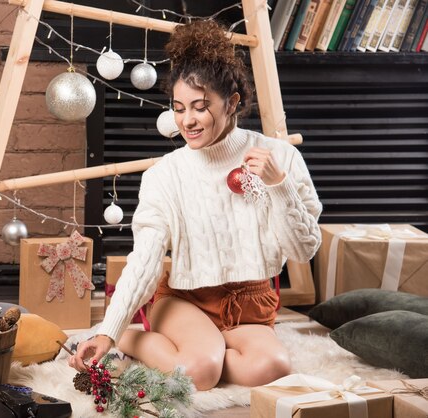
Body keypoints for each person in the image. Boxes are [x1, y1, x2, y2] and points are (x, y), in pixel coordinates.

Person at [68, 20, 322, 390]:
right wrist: (109, 330)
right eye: (179, 108)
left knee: (271, 368)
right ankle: (130, 338)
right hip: (186, 300)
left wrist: (278, 185)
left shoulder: (279, 157)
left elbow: (304, 250)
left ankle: (209, 350)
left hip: (251, 303)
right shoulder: (165, 175)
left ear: (232, 103)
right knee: (200, 373)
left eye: (200, 108)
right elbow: (146, 260)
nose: (188, 120)